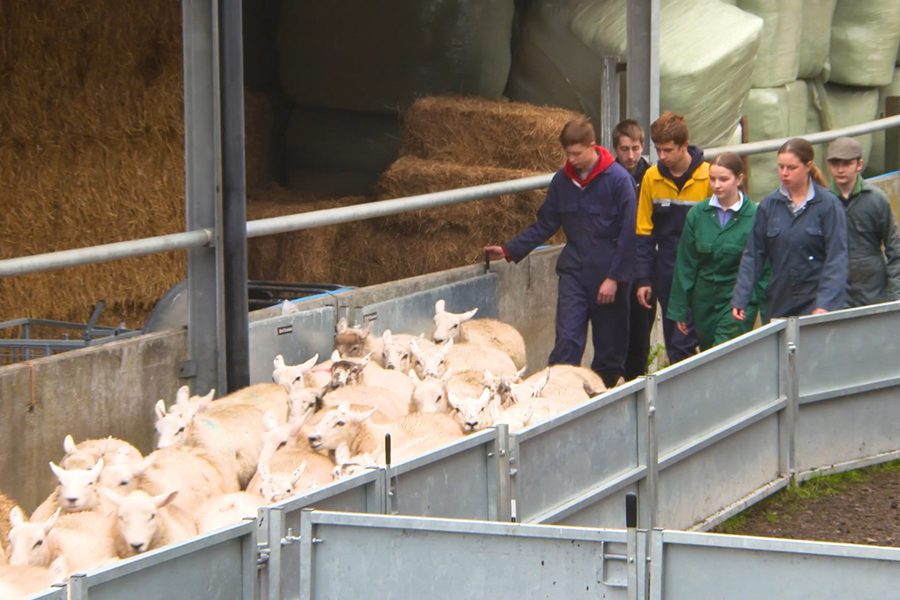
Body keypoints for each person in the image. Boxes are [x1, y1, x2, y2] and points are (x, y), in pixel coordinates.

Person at [484, 118, 637, 388]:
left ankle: (602, 393)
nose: (571, 159)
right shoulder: (562, 181)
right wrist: (509, 250)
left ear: (592, 146)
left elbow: (629, 235)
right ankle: (560, 393)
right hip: (574, 272)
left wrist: (614, 278)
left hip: (608, 274)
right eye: (568, 153)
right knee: (567, 340)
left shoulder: (618, 180)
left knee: (609, 348)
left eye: (577, 153)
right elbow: (546, 224)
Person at [732, 138, 848, 321]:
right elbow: (753, 254)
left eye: (791, 168)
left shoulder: (828, 205)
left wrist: (825, 303)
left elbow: (837, 258)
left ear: (808, 166)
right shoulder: (769, 206)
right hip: (780, 299)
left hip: (815, 300)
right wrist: (741, 297)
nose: (784, 173)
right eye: (780, 167)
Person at [667, 152, 767, 351]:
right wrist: (679, 309)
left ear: (739, 179)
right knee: (709, 353)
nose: (717, 185)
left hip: (737, 300)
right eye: (712, 179)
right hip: (703, 302)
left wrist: (763, 306)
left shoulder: (754, 216)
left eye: (723, 179)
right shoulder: (698, 214)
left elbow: (763, 265)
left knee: (723, 352)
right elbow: (685, 264)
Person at [634, 112, 710, 366]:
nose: (662, 156)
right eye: (658, 150)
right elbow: (643, 231)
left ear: (684, 145)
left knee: (705, 342)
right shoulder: (651, 178)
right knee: (677, 346)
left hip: (703, 273)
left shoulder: (709, 177)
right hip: (667, 273)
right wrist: (644, 278)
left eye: (668, 150)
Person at [826, 136, 900, 307]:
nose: (840, 169)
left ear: (859, 165)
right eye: (835, 164)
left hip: (874, 292)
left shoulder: (876, 200)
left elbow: (895, 250)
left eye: (847, 163)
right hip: (837, 294)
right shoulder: (823, 203)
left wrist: (896, 295)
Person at [612, 119, 654, 380]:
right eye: (624, 149)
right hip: (616, 266)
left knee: (641, 333)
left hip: (644, 264)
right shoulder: (609, 178)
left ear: (643, 146)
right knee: (615, 334)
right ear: (615, 149)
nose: (630, 156)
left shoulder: (652, 177)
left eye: (635, 149)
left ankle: (637, 382)